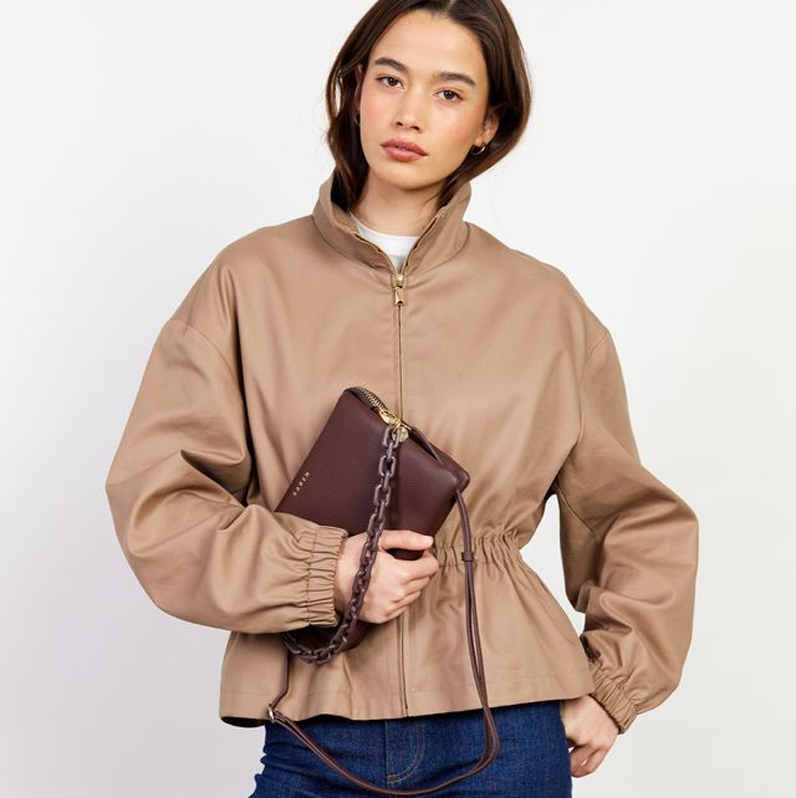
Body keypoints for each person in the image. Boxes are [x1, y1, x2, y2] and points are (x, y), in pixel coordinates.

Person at [104, 1, 699, 796]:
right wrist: (326, 571)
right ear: (355, 90)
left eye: (449, 93)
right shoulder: (247, 281)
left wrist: (616, 687)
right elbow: (161, 504)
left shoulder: (544, 305)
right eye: (390, 79)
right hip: (313, 731)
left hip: (507, 726)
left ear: (489, 124)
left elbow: (631, 517)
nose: (410, 113)